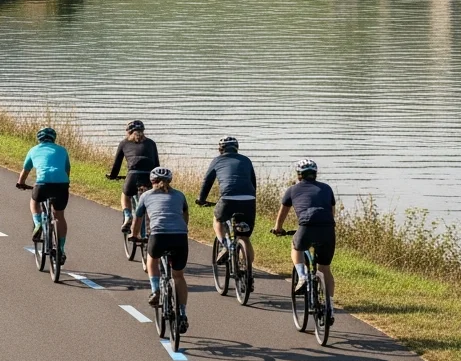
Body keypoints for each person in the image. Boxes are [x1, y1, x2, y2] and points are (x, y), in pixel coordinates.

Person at [271, 158, 337, 325]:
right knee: (325, 269)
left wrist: (278, 228)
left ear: (298, 175)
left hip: (306, 226)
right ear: (315, 174)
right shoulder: (327, 188)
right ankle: (330, 307)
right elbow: (332, 212)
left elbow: (283, 213)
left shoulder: (292, 190)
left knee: (296, 247)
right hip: (327, 229)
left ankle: (302, 276)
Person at [134, 166, 190, 333]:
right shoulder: (180, 195)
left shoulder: (146, 195)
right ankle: (182, 313)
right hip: (180, 236)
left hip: (158, 235)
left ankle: (155, 290)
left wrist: (134, 235)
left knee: (152, 259)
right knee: (178, 276)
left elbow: (138, 219)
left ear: (152, 182)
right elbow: (185, 214)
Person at [195, 136, 256, 287]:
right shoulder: (246, 160)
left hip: (228, 198)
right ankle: (248, 271)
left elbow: (207, 181)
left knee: (217, 219)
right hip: (249, 199)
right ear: (237, 148)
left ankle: (224, 245)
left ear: (220, 149)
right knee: (245, 237)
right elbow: (253, 182)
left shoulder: (217, 160)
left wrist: (201, 199)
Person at [17, 127, 71, 264]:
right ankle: (60, 248)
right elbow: (67, 169)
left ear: (39, 138)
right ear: (54, 138)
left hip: (42, 184)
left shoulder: (33, 150)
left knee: (34, 202)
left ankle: (38, 223)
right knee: (59, 215)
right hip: (61, 184)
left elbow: (25, 170)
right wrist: (65, 184)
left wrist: (21, 183)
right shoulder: (62, 150)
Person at [106, 119, 160, 232]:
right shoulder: (151, 143)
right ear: (143, 131)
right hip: (149, 177)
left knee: (125, 195)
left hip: (132, 176)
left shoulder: (124, 143)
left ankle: (127, 215)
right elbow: (156, 165)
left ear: (128, 132)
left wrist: (112, 176)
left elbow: (117, 164)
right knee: (149, 201)